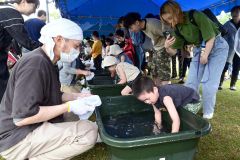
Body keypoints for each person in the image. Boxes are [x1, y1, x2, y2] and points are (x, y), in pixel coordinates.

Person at [0, 18, 98, 160]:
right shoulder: (35, 64)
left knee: (75, 117)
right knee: (89, 131)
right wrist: (69, 106)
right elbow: (22, 118)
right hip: (16, 137)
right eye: (76, 46)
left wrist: (78, 98)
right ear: (59, 40)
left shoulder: (48, 61)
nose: (78, 51)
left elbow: (53, 93)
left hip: (28, 128)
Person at [160, 1, 229, 119]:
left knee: (209, 83)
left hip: (217, 46)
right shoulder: (177, 28)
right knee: (191, 81)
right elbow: (174, 52)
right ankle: (191, 107)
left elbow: (211, 37)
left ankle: (208, 113)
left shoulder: (195, 15)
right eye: (167, 21)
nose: (170, 23)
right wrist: (166, 47)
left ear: (176, 11)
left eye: (171, 18)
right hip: (199, 49)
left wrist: (205, 55)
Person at [0, 0, 40, 102]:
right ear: (23, 2)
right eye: (34, 7)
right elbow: (25, 40)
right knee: (4, 90)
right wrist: (46, 48)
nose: (34, 11)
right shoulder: (11, 13)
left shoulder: (3, 9)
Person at [132, 76, 201, 133]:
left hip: (192, 99)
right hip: (180, 98)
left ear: (155, 90)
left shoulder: (166, 98)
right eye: (144, 101)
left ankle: (193, 131)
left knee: (185, 117)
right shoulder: (153, 99)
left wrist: (172, 137)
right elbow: (157, 113)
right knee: (173, 111)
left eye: (147, 98)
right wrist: (158, 127)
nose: (147, 102)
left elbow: (176, 120)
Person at [124, 12, 172, 86]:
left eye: (131, 27)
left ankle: (166, 93)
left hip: (163, 48)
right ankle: (158, 91)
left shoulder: (153, 25)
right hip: (156, 48)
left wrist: (168, 47)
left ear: (137, 22)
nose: (132, 30)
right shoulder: (142, 26)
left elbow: (170, 33)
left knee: (163, 75)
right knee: (154, 73)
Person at [219, 6, 240, 91]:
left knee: (236, 67)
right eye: (233, 12)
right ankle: (219, 83)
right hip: (229, 49)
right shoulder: (227, 24)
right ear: (231, 14)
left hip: (238, 50)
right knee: (224, 66)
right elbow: (221, 35)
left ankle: (233, 85)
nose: (235, 14)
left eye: (237, 12)